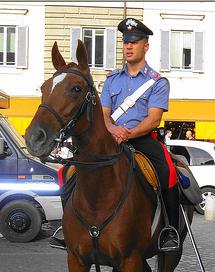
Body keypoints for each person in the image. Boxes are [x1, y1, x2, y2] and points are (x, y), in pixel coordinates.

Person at [51, 17, 180, 252]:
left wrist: (127, 134)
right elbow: (104, 113)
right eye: (125, 42)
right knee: (67, 172)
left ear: (145, 46)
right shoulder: (112, 79)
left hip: (142, 140)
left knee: (167, 172)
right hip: (110, 140)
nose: (129, 46)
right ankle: (66, 225)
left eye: (135, 41)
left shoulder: (158, 82)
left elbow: (153, 119)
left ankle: (168, 230)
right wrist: (112, 130)